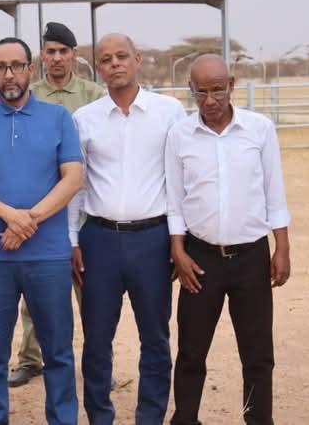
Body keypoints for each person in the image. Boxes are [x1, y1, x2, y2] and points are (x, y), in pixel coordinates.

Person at [0, 37, 83, 425]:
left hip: (48, 255)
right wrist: (11, 216)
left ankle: (62, 419)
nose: (9, 74)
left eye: (16, 65)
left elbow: (73, 178)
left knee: (58, 350)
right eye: (1, 67)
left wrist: (28, 221)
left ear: (31, 69)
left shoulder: (58, 118)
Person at [166, 54, 291, 425]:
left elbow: (274, 193)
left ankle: (258, 419)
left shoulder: (260, 129)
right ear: (191, 90)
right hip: (199, 258)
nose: (210, 100)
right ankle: (185, 419)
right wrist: (178, 250)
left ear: (232, 85)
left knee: (257, 354)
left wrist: (282, 247)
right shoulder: (179, 135)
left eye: (217, 90)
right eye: (200, 92)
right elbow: (174, 199)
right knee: (191, 351)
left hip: (251, 258)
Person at [69, 33, 185, 424]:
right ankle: (100, 415)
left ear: (138, 59)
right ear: (97, 67)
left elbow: (178, 181)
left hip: (153, 239)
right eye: (106, 59)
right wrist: (72, 240)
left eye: (122, 56)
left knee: (155, 337)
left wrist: (177, 241)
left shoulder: (169, 112)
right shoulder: (85, 119)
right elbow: (75, 186)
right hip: (98, 240)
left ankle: (150, 416)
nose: (115, 63)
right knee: (96, 339)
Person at [11, 21, 106, 388]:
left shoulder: (94, 95)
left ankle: (98, 364)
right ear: (41, 56)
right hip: (40, 210)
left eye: (63, 51)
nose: (57, 58)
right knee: (36, 293)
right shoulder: (29, 94)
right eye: (50, 51)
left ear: (74, 55)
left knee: (91, 293)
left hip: (85, 210)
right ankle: (30, 359)